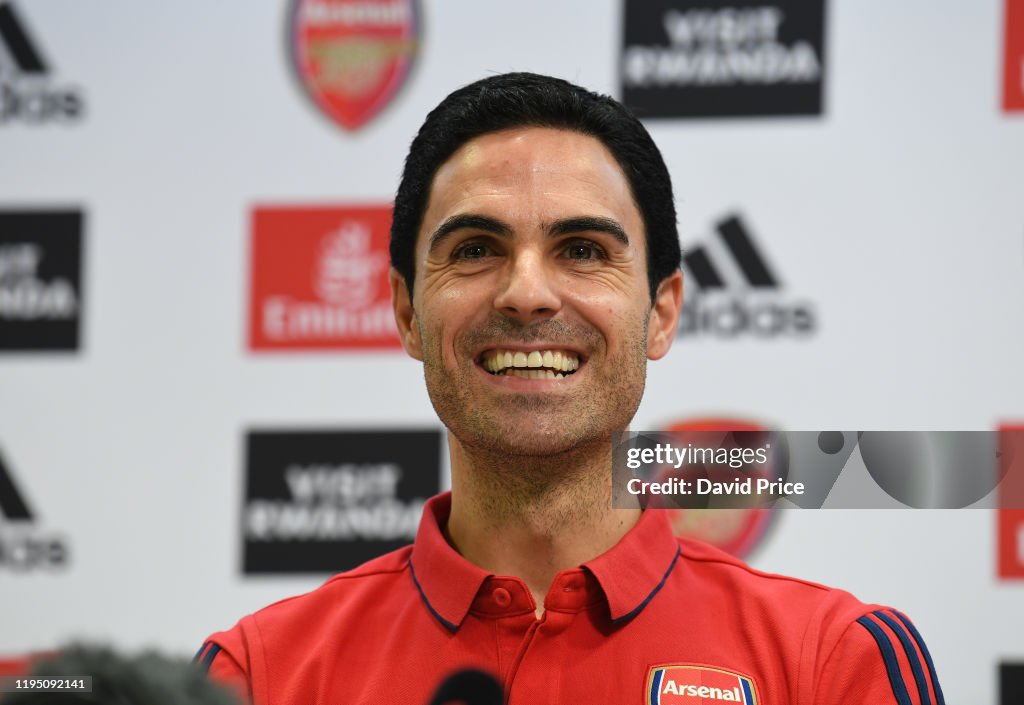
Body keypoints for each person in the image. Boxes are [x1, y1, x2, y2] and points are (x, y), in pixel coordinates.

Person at [197, 73, 944, 705]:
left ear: (661, 312)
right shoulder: (257, 676)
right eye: (477, 248)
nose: (527, 293)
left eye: (582, 249)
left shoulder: (834, 664)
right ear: (406, 313)